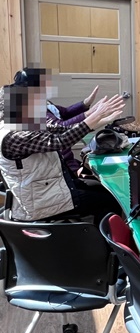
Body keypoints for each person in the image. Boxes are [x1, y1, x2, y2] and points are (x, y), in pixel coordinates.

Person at [0, 76, 125, 224]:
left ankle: (100, 236)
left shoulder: (21, 124)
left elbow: (61, 128)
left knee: (107, 190)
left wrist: (98, 118)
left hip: (50, 188)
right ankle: (101, 244)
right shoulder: (15, 136)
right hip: (40, 203)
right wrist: (93, 118)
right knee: (109, 201)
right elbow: (61, 141)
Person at [13, 69, 102, 175]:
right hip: (60, 166)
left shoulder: (43, 102)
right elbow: (60, 127)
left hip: (67, 161)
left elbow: (64, 112)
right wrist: (91, 115)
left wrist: (86, 103)